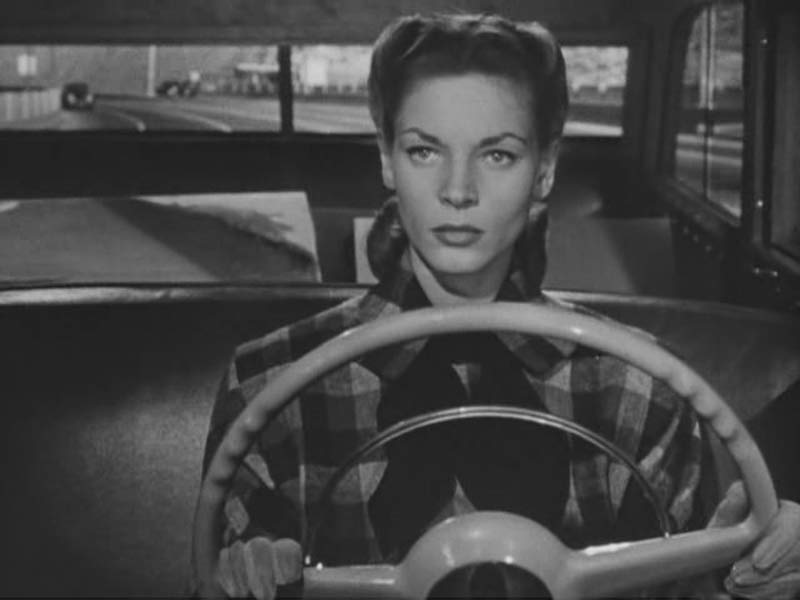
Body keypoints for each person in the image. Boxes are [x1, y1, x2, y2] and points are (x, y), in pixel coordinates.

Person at [199, 13, 800, 599]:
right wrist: (250, 577)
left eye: (498, 155)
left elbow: (688, 584)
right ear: (386, 158)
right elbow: (219, 571)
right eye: (424, 151)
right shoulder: (271, 385)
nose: (458, 191)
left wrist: (751, 573)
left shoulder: (642, 385)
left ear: (545, 170)